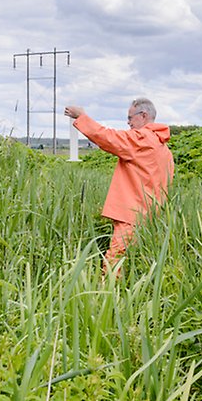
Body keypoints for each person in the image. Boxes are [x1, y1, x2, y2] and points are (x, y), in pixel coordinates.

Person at [64, 98, 174, 273]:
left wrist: (82, 117)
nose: (128, 122)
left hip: (132, 216)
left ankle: (107, 298)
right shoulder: (163, 148)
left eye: (130, 118)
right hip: (152, 217)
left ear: (143, 115)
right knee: (137, 264)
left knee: (114, 264)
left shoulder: (142, 139)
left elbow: (109, 138)